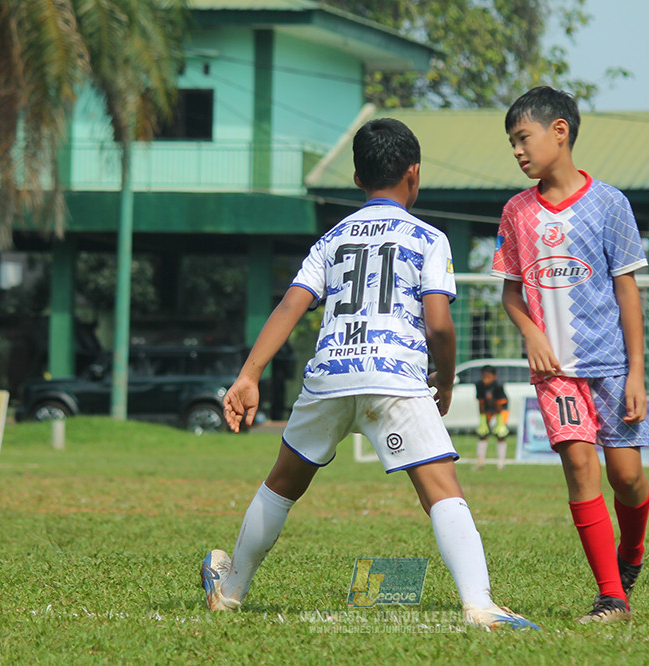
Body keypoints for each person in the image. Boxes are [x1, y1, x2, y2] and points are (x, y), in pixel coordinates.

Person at [201, 118, 537, 631]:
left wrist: (249, 376)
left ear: (358, 178)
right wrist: (445, 380)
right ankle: (479, 604)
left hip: (331, 373)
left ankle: (230, 592)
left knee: (282, 485)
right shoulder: (428, 237)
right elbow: (438, 324)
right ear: (414, 173)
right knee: (441, 487)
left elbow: (291, 306)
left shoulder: (332, 239)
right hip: (395, 375)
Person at [492, 87, 649, 624]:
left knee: (626, 478)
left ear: (559, 131)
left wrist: (637, 372)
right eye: (512, 143)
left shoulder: (609, 203)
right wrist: (532, 335)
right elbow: (511, 295)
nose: (517, 150)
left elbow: (627, 291)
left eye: (523, 137)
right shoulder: (516, 212)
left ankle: (632, 552)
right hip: (555, 374)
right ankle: (612, 598)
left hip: (612, 367)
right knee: (581, 468)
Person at [474, 364, 510, 470]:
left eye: (488, 377)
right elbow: (481, 403)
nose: (485, 380)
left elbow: (500, 404)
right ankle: (480, 461)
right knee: (483, 433)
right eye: (483, 377)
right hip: (487, 409)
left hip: (500, 409)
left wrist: (499, 423)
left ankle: (501, 462)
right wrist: (483, 420)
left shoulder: (498, 385)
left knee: (500, 434)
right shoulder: (479, 385)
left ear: (494, 377)